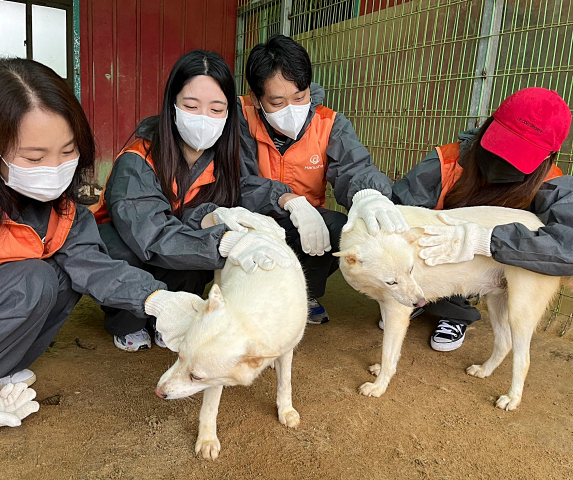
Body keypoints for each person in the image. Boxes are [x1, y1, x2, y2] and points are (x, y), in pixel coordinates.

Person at [0, 58, 249, 444]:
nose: (54, 168)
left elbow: (90, 261)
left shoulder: (51, 199)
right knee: (30, 280)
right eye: (34, 158)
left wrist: (156, 300)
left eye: (68, 151)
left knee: (61, 275)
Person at [90, 49, 291, 351]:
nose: (203, 119)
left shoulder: (223, 154)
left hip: (177, 247)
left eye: (215, 109)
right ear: (172, 105)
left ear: (228, 112)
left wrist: (288, 200)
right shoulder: (138, 158)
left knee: (195, 251)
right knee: (127, 252)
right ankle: (126, 321)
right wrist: (219, 243)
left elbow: (244, 189)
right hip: (132, 245)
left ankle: (170, 317)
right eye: (191, 105)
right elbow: (151, 236)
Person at [238, 34, 408, 324]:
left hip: (305, 223)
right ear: (256, 98)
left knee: (340, 229)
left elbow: (354, 168)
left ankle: (303, 293)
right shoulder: (238, 117)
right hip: (249, 219)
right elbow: (233, 181)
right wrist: (284, 198)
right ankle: (245, 297)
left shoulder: (330, 123)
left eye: (299, 97)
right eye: (277, 101)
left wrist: (369, 194)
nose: (291, 108)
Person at [392, 87, 573, 351]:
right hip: (438, 253)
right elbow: (401, 211)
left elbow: (567, 248)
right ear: (489, 124)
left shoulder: (552, 183)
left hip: (495, 264)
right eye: (502, 143)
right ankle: (421, 299)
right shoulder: (449, 159)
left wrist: (486, 241)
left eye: (518, 153)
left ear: (547, 157)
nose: (502, 159)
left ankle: (455, 314)